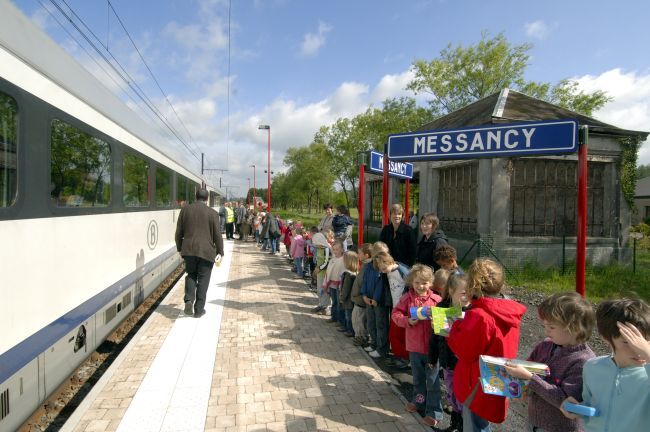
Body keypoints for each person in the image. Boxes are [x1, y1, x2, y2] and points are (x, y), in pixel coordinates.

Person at [447, 258, 526, 432]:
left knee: (474, 424)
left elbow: (464, 351)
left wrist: (456, 326)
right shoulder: (507, 310)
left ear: (472, 286)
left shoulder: (479, 316)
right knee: (482, 423)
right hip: (495, 378)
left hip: (476, 382)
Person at [504, 292, 596, 432]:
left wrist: (530, 378)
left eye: (552, 327)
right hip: (534, 421)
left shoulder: (583, 361)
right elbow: (528, 369)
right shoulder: (546, 345)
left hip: (559, 428)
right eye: (545, 326)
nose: (547, 332)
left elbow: (566, 401)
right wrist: (522, 389)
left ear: (575, 329)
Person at [561, 298, 650, 432]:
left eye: (644, 342)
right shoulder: (593, 367)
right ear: (606, 337)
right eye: (627, 342)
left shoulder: (647, 375)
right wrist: (578, 409)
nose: (637, 350)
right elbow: (595, 408)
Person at [392, 264, 443, 427]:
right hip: (414, 348)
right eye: (417, 283)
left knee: (433, 381)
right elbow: (396, 314)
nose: (421, 286)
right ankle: (419, 401)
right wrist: (407, 320)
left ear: (431, 283)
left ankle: (434, 411)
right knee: (418, 378)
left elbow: (445, 322)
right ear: (411, 283)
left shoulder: (437, 300)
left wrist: (438, 322)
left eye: (424, 283)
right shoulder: (406, 298)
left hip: (432, 350)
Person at [174, 188, 224, 318]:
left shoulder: (185, 210)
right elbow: (217, 236)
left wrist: (179, 248)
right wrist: (220, 252)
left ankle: (189, 300)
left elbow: (178, 232)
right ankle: (198, 310)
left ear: (196, 197)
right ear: (207, 199)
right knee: (203, 280)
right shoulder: (213, 213)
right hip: (206, 252)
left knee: (191, 274)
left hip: (189, 250)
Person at [430, 273, 470, 432]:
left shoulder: (473, 311)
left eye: (471, 292)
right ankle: (455, 425)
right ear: (451, 291)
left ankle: (463, 427)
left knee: (463, 398)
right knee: (452, 394)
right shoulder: (442, 308)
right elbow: (435, 337)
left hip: (465, 365)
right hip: (448, 362)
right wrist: (432, 358)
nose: (468, 297)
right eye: (463, 293)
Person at [362, 242, 390, 359]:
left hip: (379, 302)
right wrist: (364, 295)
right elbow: (364, 281)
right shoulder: (369, 266)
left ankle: (381, 348)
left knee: (380, 325)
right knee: (371, 323)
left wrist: (376, 299)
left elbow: (381, 285)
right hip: (369, 299)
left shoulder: (384, 267)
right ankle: (374, 343)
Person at [351, 243, 373, 347]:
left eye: (359, 253)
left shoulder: (368, 266)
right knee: (357, 319)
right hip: (359, 297)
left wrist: (358, 293)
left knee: (359, 319)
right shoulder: (365, 265)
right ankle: (360, 336)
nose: (357, 255)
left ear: (366, 255)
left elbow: (362, 282)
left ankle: (362, 338)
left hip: (360, 298)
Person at [311, 227, 332, 314]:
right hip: (320, 273)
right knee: (319, 289)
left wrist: (319, 268)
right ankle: (321, 304)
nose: (315, 245)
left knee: (324, 290)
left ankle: (326, 307)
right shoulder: (319, 249)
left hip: (325, 273)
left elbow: (327, 262)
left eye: (316, 243)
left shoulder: (326, 249)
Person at [324, 240, 346, 324]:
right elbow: (329, 271)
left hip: (340, 285)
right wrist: (326, 282)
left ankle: (341, 320)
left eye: (337, 249)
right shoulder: (332, 259)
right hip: (332, 284)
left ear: (342, 249)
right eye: (334, 249)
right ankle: (334, 317)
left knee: (340, 303)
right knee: (334, 301)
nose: (335, 251)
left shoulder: (344, 259)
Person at [339, 250, 359, 337]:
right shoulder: (355, 273)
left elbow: (345, 289)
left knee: (348, 315)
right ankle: (347, 328)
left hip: (348, 300)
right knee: (348, 314)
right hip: (351, 299)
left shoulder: (348, 274)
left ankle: (350, 330)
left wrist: (342, 298)